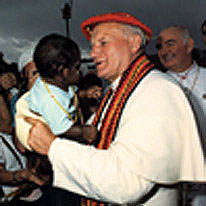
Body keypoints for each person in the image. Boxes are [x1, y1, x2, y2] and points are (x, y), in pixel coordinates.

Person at [25, 12, 205, 206]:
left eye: (103, 43)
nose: (93, 53)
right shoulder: (117, 91)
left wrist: (54, 148)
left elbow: (127, 182)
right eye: (92, 46)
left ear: (135, 43)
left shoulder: (157, 89)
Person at [156, 25, 206, 152]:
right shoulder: (155, 84)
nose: (164, 51)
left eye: (170, 44)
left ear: (189, 46)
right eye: (159, 47)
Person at [0, 87, 49, 206]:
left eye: (3, 104)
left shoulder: (18, 126)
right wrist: (22, 175)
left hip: (37, 190)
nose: (3, 112)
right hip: (17, 198)